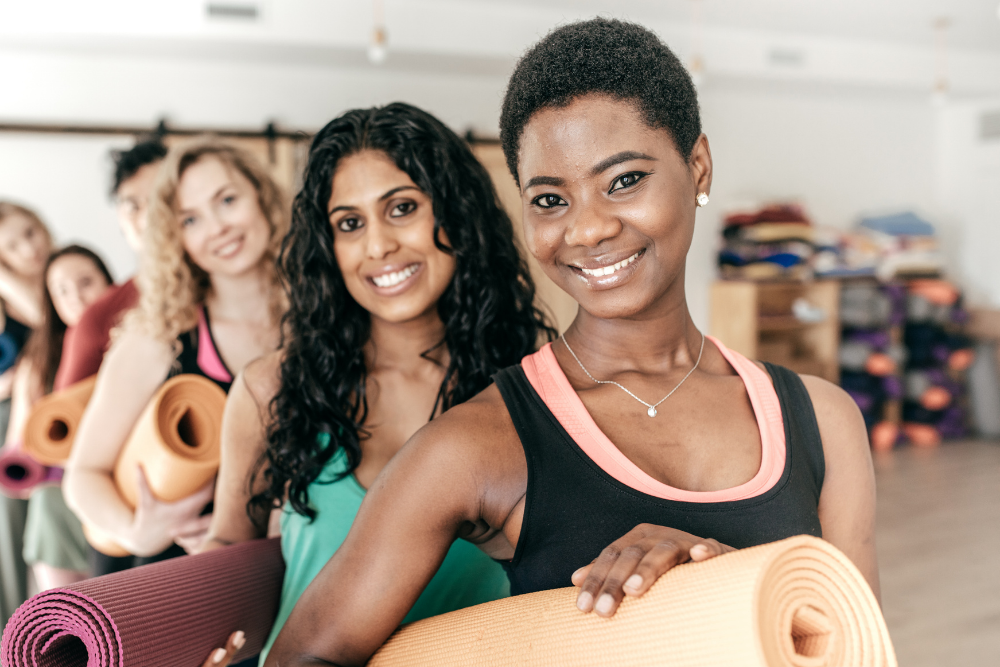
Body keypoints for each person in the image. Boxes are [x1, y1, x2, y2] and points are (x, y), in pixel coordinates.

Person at [264, 19, 879, 667]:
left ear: (697, 166)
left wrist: (724, 589)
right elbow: (303, 657)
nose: (586, 229)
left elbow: (857, 648)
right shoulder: (476, 443)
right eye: (552, 199)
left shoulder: (822, 420)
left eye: (623, 180)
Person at [199, 102, 556, 667]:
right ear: (327, 246)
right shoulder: (272, 388)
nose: (378, 246)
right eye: (349, 223)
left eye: (403, 208)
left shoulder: (538, 391)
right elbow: (229, 548)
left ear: (457, 216)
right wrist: (200, 632)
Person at [64, 137, 287, 575]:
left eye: (227, 200)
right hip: (175, 579)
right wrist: (137, 531)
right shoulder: (158, 338)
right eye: (190, 219)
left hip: (291, 571)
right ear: (174, 237)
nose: (218, 227)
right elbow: (82, 476)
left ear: (261, 196)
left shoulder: (323, 321)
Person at [8, 245, 114, 590]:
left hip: (117, 478)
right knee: (47, 501)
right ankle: (56, 625)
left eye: (86, 282)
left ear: (109, 284)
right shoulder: (40, 361)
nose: (75, 297)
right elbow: (18, 452)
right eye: (61, 291)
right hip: (58, 485)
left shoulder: (137, 343)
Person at [54, 139, 167, 390]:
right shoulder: (98, 317)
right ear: (120, 219)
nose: (149, 217)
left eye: (162, 198)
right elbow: (59, 423)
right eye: (133, 206)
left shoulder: (231, 288)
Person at [0, 202, 52, 625]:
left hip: (52, 422)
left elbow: (47, 318)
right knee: (7, 535)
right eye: (11, 246)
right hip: (7, 425)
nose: (28, 248)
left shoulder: (68, 279)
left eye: (30, 232)